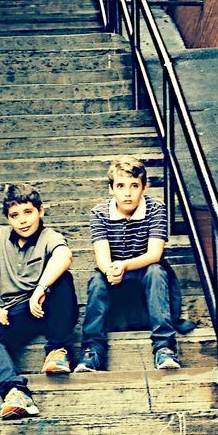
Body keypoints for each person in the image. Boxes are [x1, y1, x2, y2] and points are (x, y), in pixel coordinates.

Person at [0, 182, 78, 420]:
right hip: (19, 312)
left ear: (40, 211)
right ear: (8, 219)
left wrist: (41, 288)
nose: (22, 220)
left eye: (28, 212)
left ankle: (58, 350)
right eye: (14, 215)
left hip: (51, 305)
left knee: (63, 279)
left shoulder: (50, 236)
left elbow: (64, 255)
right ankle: (14, 392)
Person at [75, 155, 182, 373]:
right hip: (118, 289)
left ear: (144, 187)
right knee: (97, 280)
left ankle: (164, 347)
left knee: (155, 270)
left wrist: (123, 265)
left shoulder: (156, 209)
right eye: (121, 186)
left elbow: (155, 253)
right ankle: (92, 351)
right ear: (110, 188)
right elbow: (102, 258)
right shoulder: (100, 213)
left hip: (147, 283)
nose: (127, 193)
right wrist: (110, 270)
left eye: (134, 186)